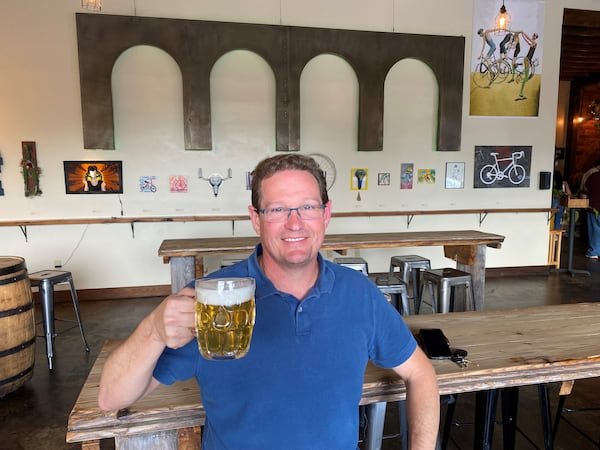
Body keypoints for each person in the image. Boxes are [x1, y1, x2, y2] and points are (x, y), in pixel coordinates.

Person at [98, 154, 440, 449]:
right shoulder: (213, 298)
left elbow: (421, 373)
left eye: (307, 207)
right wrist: (154, 331)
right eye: (277, 209)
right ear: (255, 218)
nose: (295, 222)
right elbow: (111, 398)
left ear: (326, 214)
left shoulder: (358, 293)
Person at [582, 167, 600, 260]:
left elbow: (584, 194)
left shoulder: (592, 177)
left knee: (595, 230)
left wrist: (584, 205)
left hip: (594, 208)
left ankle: (594, 252)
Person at [515, 31, 538, 101]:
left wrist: (523, 33)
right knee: (526, 77)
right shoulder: (533, 43)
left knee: (526, 77)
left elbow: (527, 39)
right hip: (527, 60)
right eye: (533, 35)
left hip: (527, 60)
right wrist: (522, 35)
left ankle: (520, 74)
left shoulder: (534, 43)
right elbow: (526, 39)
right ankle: (521, 92)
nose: (533, 36)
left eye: (534, 35)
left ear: (535, 37)